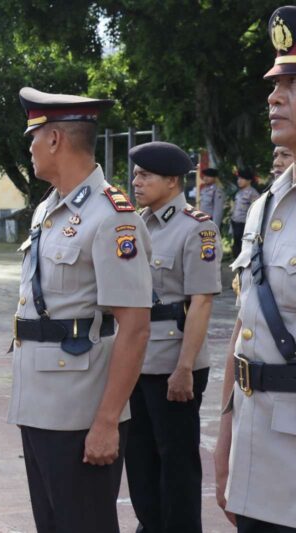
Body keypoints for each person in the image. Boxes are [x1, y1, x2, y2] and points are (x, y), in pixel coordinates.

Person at [7, 87, 152, 532]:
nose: (28, 147)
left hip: (80, 411)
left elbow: (135, 328)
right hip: (37, 403)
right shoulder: (48, 210)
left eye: (33, 136)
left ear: (55, 140)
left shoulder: (112, 216)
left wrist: (107, 421)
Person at [214, 6, 296, 533]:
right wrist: (227, 436)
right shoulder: (265, 206)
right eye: (275, 82)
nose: (273, 96)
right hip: (258, 461)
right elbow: (246, 329)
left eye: (295, 82)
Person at [126, 142, 223, 533]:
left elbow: (200, 303)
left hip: (173, 363)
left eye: (145, 176)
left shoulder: (197, 228)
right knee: (139, 460)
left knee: (177, 463)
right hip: (135, 359)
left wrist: (184, 367)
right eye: (135, 175)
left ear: (171, 180)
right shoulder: (135, 223)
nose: (136, 182)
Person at [230, 168, 260, 259]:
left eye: (241, 179)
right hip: (236, 223)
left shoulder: (253, 193)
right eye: (238, 179)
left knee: (244, 248)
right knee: (236, 247)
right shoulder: (239, 193)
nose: (239, 181)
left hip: (245, 225)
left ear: (249, 180)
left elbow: (255, 211)